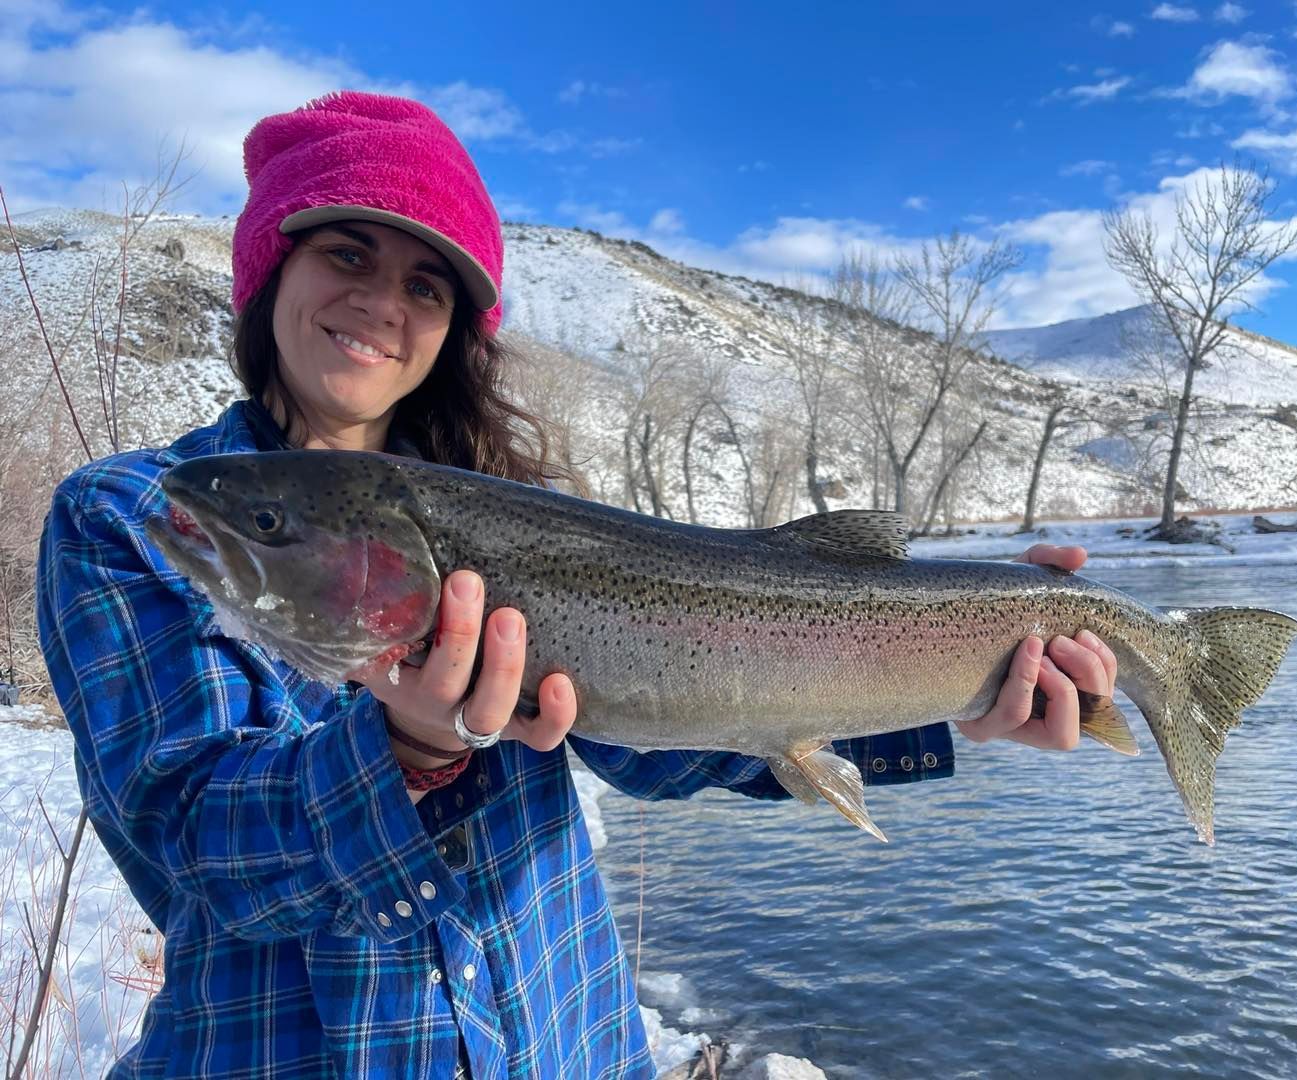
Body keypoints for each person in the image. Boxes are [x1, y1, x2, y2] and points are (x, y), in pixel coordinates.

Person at [36, 91, 1118, 1079]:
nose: (382, 303)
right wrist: (402, 751)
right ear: (271, 271)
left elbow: (661, 746)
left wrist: (963, 679)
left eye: (427, 283)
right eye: (347, 256)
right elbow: (189, 844)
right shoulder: (137, 517)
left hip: (564, 1044)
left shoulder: (513, 511)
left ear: (457, 326)